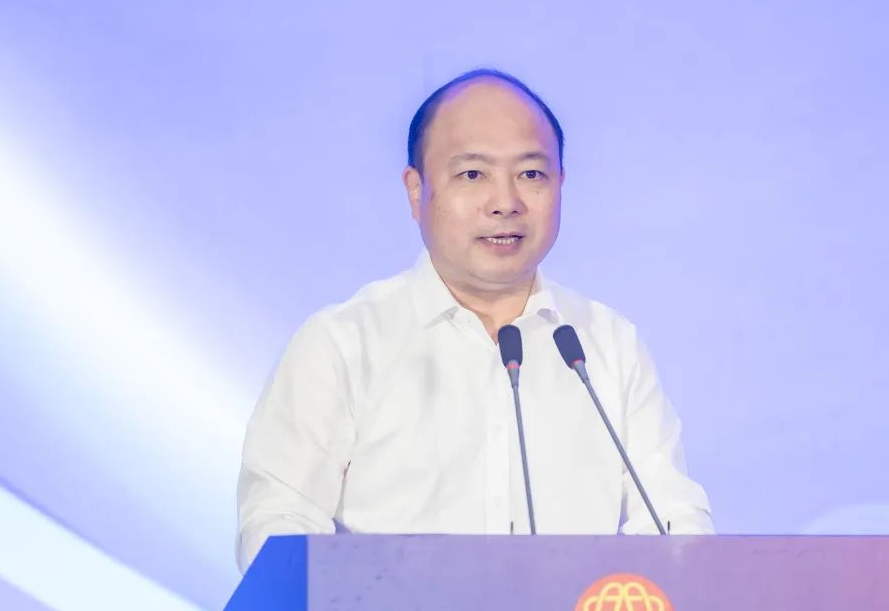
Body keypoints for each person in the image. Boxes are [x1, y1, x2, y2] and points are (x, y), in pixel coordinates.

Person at [236, 69, 713, 572]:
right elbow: (277, 529)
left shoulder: (606, 344)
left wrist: (688, 573)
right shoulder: (343, 345)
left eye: (531, 175)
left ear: (560, 184)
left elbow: (674, 523)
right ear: (416, 191)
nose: (505, 203)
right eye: (472, 175)